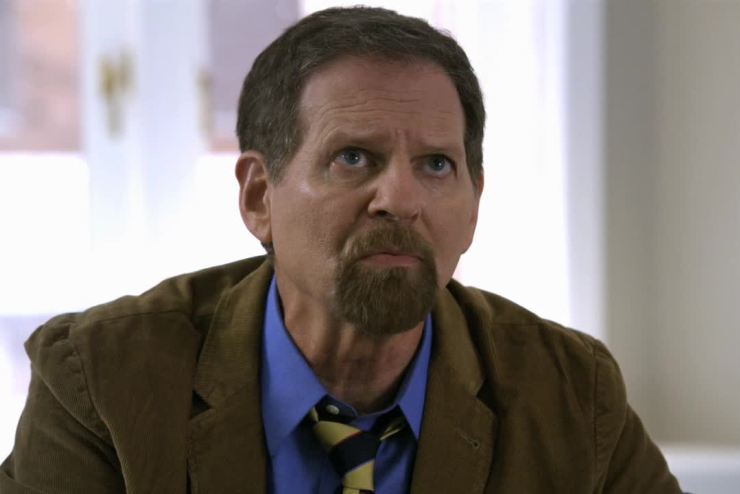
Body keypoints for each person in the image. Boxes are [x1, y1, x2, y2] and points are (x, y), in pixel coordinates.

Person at [1, 6, 683, 494]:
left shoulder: (571, 394)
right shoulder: (103, 381)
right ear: (259, 197)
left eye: (437, 165)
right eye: (354, 157)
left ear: (474, 204)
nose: (400, 199)